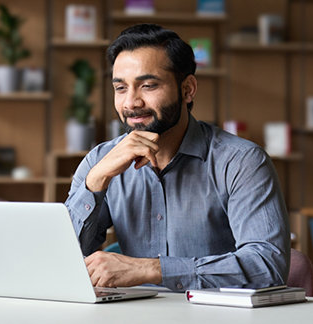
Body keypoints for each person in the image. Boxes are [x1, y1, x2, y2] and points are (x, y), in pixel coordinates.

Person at [65, 23, 291, 292]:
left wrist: (153, 269)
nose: (130, 103)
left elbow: (268, 266)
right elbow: (60, 261)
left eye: (148, 85)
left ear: (187, 89)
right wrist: (96, 182)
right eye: (121, 88)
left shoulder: (242, 161)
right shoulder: (99, 161)